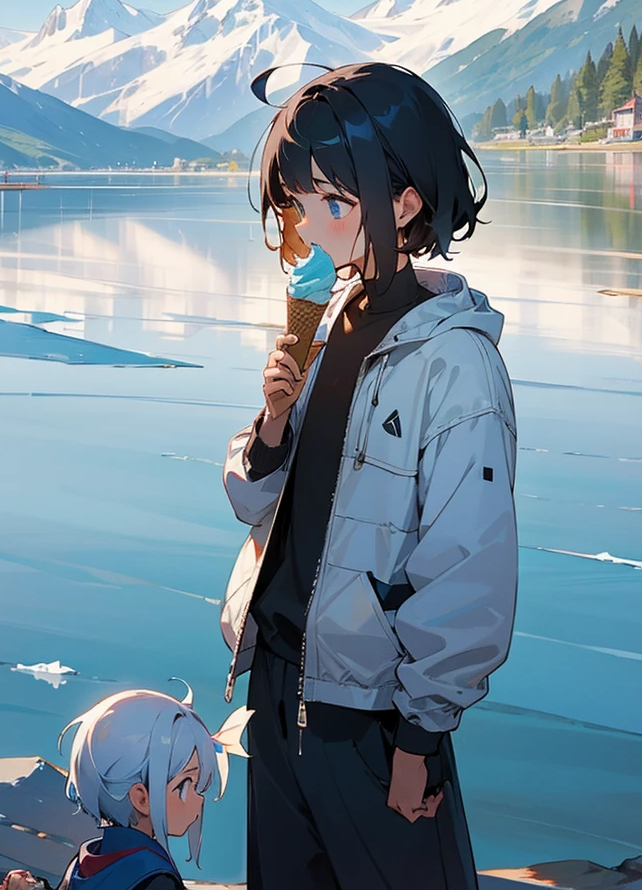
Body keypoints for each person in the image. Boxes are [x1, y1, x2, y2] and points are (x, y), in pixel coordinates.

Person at [220, 62, 518, 890]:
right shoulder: (324, 327)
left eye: (334, 202)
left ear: (409, 200)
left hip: (377, 720)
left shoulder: (456, 363)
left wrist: (421, 740)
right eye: (299, 201)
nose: (310, 227)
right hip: (279, 686)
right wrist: (273, 427)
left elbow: (471, 566)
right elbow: (252, 500)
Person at [0, 687, 251, 890]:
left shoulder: (87, 860)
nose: (199, 798)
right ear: (141, 798)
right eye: (186, 784)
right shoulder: (152, 876)